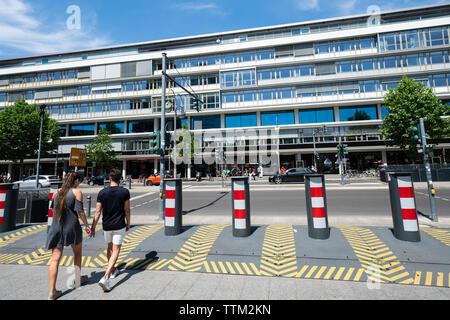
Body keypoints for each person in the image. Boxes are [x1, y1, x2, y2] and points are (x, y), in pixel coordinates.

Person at [46, 171, 91, 300]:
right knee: (77, 253)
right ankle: (77, 278)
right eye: (80, 181)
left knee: (55, 259)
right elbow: (80, 212)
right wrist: (87, 226)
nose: (80, 184)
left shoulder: (56, 193)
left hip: (55, 228)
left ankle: (52, 291)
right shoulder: (76, 192)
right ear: (76, 181)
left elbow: (53, 209)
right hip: (72, 227)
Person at [90, 168, 130, 292]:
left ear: (110, 179)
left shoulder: (102, 192)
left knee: (109, 247)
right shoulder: (124, 192)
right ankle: (106, 277)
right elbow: (127, 210)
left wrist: (93, 227)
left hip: (106, 225)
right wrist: (128, 223)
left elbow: (97, 212)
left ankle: (113, 270)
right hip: (119, 225)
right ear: (120, 179)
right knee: (116, 250)